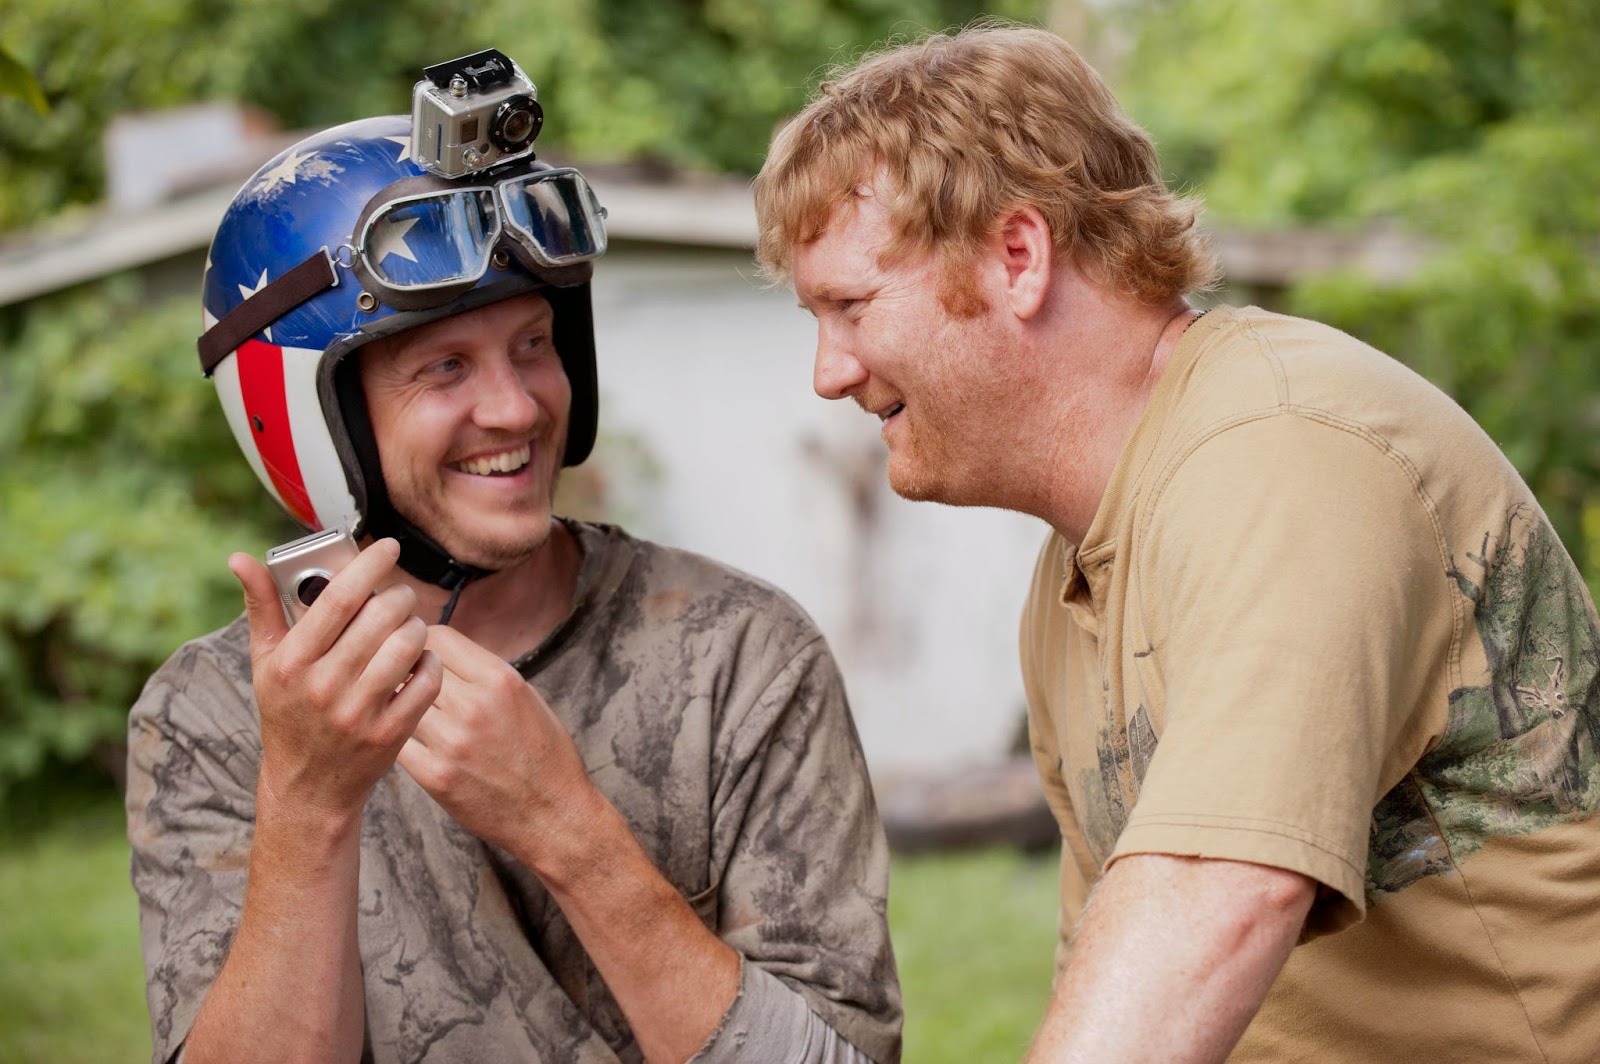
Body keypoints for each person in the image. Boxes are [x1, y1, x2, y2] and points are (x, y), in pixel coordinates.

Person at [752, 22, 1600, 1064]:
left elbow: (1212, 895)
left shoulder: (1283, 454)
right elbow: (1121, 981)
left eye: (849, 305)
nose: (828, 372)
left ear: (1017, 257)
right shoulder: (1072, 575)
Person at [125, 103, 901, 1064]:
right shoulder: (208, 718)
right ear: (321, 422)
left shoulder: (741, 657)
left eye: (534, 344)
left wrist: (564, 828)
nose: (516, 407)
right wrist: (310, 798)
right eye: (445, 367)